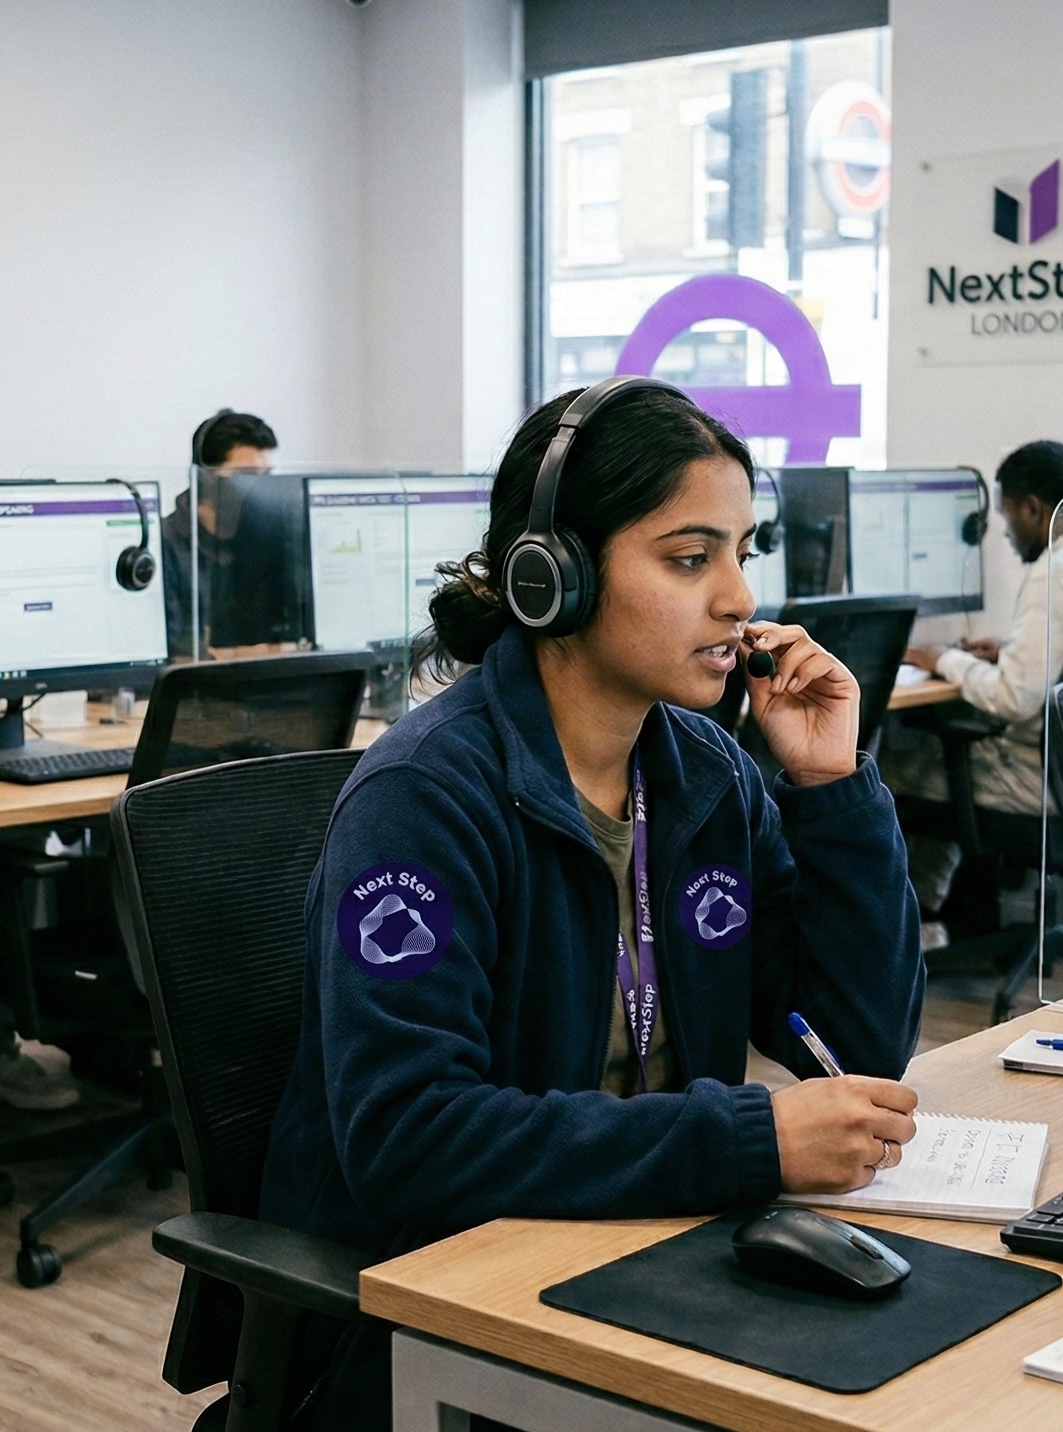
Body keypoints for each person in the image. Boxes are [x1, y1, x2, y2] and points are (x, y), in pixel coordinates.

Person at [255, 379, 925, 1427]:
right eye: (688, 557)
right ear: (552, 575)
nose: (739, 596)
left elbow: (850, 1043)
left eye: (743, 553)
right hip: (449, 1318)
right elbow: (410, 1141)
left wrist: (832, 791)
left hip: (655, 1254)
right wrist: (747, 1143)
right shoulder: (425, 800)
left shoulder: (705, 775)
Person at [889, 440, 1063, 941]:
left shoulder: (1056, 570)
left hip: (1044, 785)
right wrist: (1012, 648)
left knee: (899, 764)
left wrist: (942, 657)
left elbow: (1014, 698)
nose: (1009, 534)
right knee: (942, 756)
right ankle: (936, 921)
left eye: (1010, 517)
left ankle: (917, 926)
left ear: (1033, 507)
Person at [162, 409, 302, 657]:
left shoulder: (275, 540)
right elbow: (168, 651)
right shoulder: (165, 544)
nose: (260, 488)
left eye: (267, 476)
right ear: (205, 477)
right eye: (246, 476)